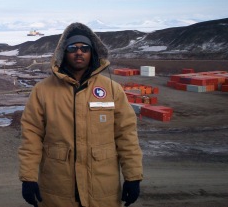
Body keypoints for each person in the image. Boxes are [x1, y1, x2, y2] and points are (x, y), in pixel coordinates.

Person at [18, 22, 143, 207]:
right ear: (63, 53)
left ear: (92, 52)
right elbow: (31, 135)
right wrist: (28, 177)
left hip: (102, 187)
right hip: (57, 187)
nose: (79, 52)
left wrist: (133, 176)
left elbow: (126, 134)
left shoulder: (111, 89)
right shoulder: (42, 90)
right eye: (72, 48)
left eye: (85, 48)